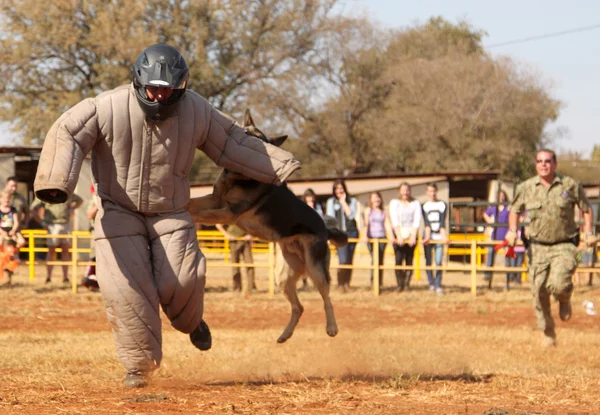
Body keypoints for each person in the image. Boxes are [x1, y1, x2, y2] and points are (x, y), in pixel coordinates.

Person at [33, 43, 300, 388]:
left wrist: (280, 165)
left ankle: (193, 324)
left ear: (181, 87)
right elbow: (66, 132)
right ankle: (138, 368)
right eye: (154, 90)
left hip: (171, 211)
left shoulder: (197, 111)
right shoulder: (105, 106)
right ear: (139, 83)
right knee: (125, 291)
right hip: (118, 211)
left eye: (168, 91)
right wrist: (56, 181)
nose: (160, 97)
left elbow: (232, 140)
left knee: (184, 280)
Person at [506, 149, 594, 347]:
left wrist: (588, 232)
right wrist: (512, 230)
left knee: (559, 283)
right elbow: (514, 210)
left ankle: (564, 297)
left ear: (555, 164)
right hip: (537, 247)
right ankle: (548, 331)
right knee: (538, 291)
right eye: (539, 161)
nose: (543, 164)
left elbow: (586, 209)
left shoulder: (570, 185)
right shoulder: (526, 187)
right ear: (536, 164)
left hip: (565, 245)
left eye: (547, 161)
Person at [31, 193, 83, 284]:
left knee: (66, 250)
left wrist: (72, 208)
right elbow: (33, 209)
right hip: (52, 225)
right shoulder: (45, 193)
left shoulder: (65, 192)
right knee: (51, 251)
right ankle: (48, 277)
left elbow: (80, 200)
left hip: (65, 224)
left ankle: (65, 277)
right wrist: (42, 223)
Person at [388, 182, 422, 292]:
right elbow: (394, 219)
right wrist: (398, 236)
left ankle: (407, 284)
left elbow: (417, 220)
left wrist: (413, 236)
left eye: (407, 190)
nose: (405, 192)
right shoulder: (394, 203)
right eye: (403, 190)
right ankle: (399, 284)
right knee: (398, 260)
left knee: (409, 260)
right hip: (399, 235)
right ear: (399, 191)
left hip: (411, 235)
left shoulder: (415, 203)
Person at [326, 179, 358, 292]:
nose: (339, 190)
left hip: (352, 232)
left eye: (341, 188)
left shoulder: (352, 200)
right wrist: (330, 235)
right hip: (339, 234)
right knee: (343, 259)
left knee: (349, 260)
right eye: (337, 188)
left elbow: (351, 216)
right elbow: (330, 219)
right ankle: (340, 284)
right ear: (334, 190)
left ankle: (347, 284)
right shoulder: (331, 202)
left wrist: (343, 202)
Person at [421, 183, 448, 295]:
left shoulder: (442, 205)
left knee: (438, 261)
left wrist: (444, 237)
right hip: (428, 236)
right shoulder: (424, 206)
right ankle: (431, 282)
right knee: (428, 261)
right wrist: (427, 236)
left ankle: (438, 284)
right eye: (430, 191)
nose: (432, 193)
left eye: (434, 191)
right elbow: (427, 223)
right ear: (427, 192)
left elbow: (442, 223)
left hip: (438, 237)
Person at [361, 191, 391, 288]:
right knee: (375, 260)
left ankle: (379, 282)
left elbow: (387, 224)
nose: (376, 199)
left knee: (380, 260)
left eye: (377, 197)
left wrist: (391, 236)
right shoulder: (368, 210)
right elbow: (366, 224)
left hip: (382, 237)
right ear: (370, 200)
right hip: (372, 238)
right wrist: (365, 235)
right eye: (373, 198)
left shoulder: (384, 211)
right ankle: (373, 282)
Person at [216, 224, 256, 292]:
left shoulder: (245, 214)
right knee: (235, 266)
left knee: (250, 264)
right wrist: (226, 235)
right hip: (234, 241)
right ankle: (237, 288)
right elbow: (218, 225)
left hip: (246, 241)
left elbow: (254, 224)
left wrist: (251, 235)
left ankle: (251, 288)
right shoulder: (229, 214)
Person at [483, 190, 510, 282]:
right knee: (490, 253)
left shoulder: (507, 208)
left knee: (508, 256)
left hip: (506, 236)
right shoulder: (494, 207)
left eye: (503, 195)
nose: (501, 197)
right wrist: (489, 222)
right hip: (495, 236)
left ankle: (508, 277)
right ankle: (487, 275)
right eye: (500, 195)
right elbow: (485, 214)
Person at [81, 185, 100, 291]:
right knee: (94, 257)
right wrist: (98, 205)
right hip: (96, 233)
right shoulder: (93, 201)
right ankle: (88, 280)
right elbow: (89, 214)